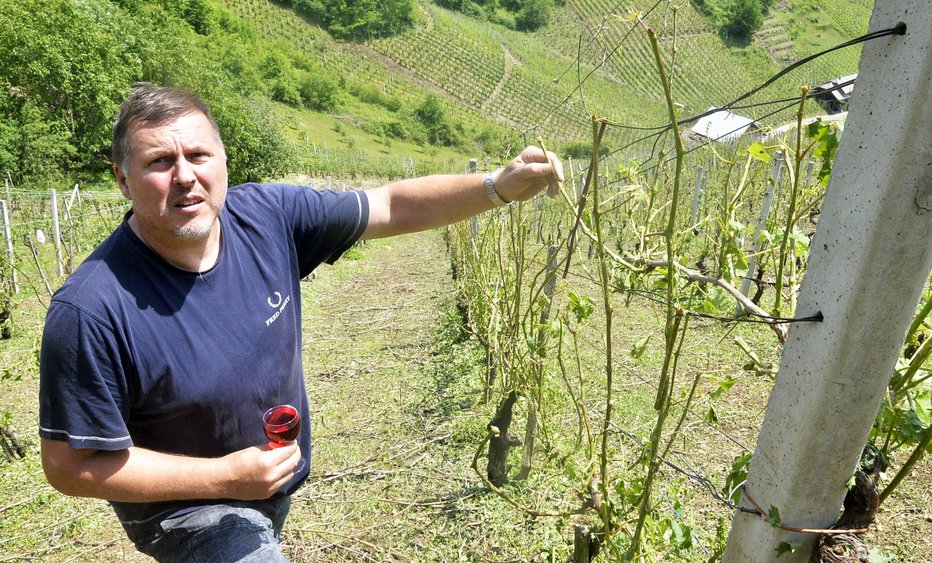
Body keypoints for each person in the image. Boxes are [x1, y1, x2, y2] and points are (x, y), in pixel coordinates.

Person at [38, 83, 564, 561]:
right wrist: (225, 478)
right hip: (188, 515)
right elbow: (68, 465)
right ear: (123, 181)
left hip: (264, 486)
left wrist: (499, 186)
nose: (185, 176)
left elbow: (388, 205)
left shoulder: (267, 217)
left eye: (198, 154)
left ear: (223, 161)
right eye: (158, 161)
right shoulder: (91, 311)